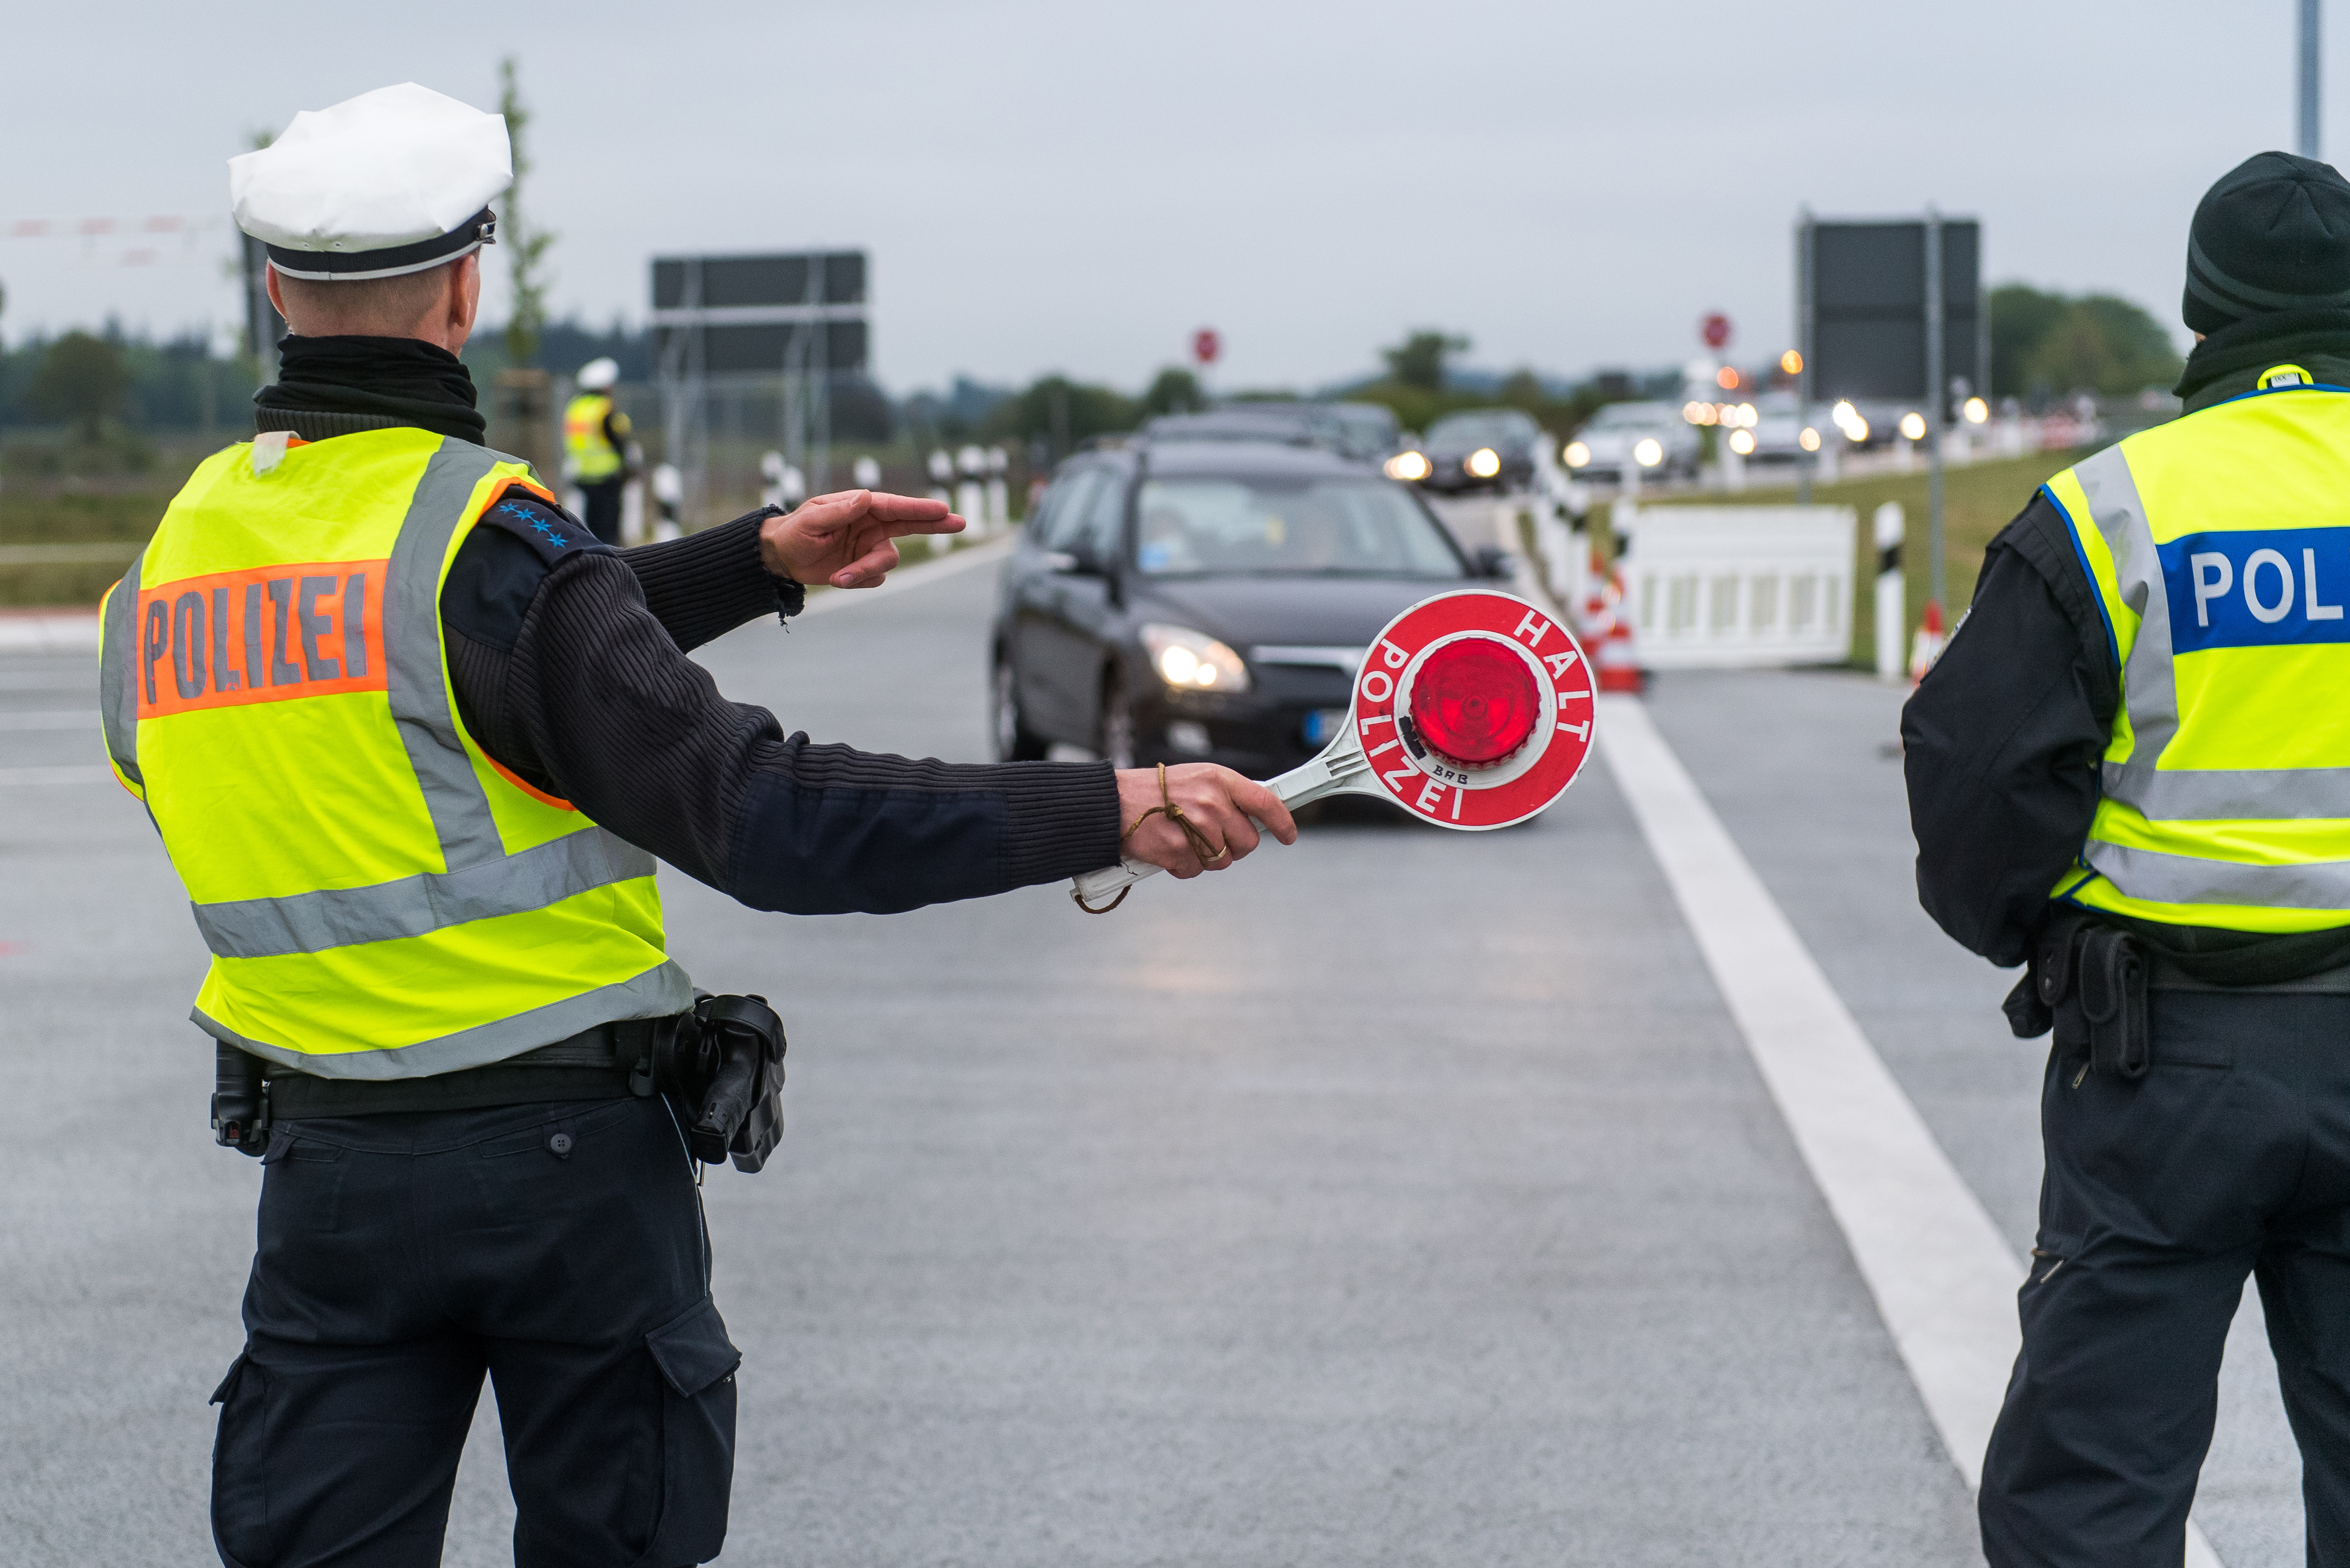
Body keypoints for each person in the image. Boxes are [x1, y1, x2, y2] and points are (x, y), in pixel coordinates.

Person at [99, 82, 1294, 1568]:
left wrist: (751, 565)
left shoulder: (166, 578)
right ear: (468, 291)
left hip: (327, 1186)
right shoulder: (482, 534)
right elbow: (762, 815)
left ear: (275, 290)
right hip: (563, 1182)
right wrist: (1104, 803)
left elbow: (443, 681)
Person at [1905, 150, 2350, 1568]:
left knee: (2093, 1484)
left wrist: (2034, 933)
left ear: (2201, 314)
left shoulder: (2110, 511)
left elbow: (1977, 776)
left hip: (2166, 1061)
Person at [563, 356, 632, 543]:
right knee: (609, 532)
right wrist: (628, 467)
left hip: (583, 476)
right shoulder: (605, 409)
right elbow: (619, 439)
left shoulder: (575, 408)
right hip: (607, 477)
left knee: (591, 528)